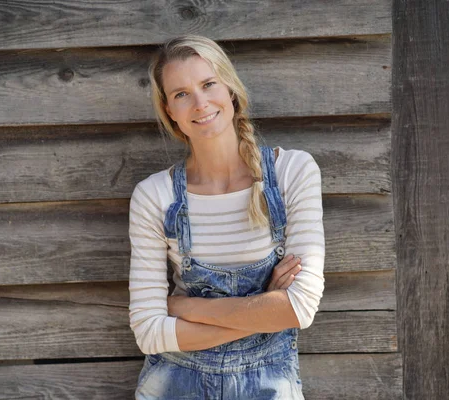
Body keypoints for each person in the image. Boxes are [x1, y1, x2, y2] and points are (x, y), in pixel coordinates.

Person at [128, 35, 325, 399]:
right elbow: (149, 332)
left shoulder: (292, 173)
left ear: (230, 88)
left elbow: (300, 308)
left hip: (270, 384)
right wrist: (265, 310)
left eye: (208, 84)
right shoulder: (154, 196)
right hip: (174, 383)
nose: (200, 103)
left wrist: (185, 307)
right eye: (181, 94)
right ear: (169, 109)